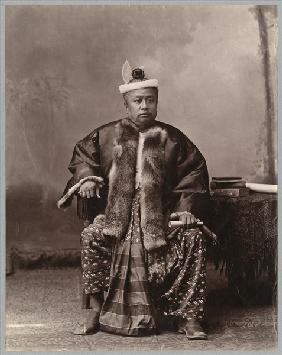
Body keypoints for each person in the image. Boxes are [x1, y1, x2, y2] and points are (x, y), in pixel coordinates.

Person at [58, 62, 210, 340]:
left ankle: (189, 316)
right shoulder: (105, 135)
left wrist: (185, 210)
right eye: (137, 101)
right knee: (91, 235)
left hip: (161, 216)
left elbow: (194, 171)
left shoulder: (173, 138)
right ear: (125, 104)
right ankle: (93, 309)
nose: (144, 107)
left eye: (150, 101)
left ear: (157, 103)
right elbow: (82, 158)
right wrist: (88, 178)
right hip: (118, 215)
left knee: (193, 239)